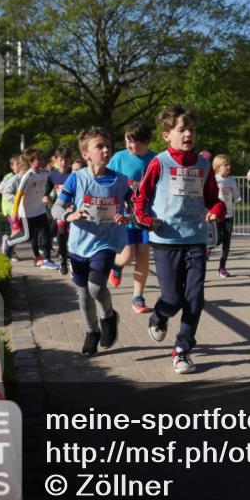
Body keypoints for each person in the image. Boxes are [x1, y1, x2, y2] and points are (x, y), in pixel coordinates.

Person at [134, 104, 225, 375]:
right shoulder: (158, 163)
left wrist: (217, 211)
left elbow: (212, 199)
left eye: (192, 130)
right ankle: (160, 315)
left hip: (195, 239)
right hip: (165, 240)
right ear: (166, 135)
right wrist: (146, 219)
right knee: (172, 298)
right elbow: (140, 198)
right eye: (181, 129)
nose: (188, 135)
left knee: (195, 299)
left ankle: (182, 349)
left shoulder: (204, 164)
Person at [52, 128, 132, 356]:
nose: (106, 150)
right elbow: (57, 207)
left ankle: (108, 316)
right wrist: (70, 216)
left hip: (106, 242)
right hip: (79, 245)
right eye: (99, 146)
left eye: (108, 145)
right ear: (86, 154)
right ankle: (91, 331)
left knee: (96, 286)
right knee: (83, 293)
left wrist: (127, 216)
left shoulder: (120, 180)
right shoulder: (76, 179)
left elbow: (135, 206)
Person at [107, 121, 158, 313]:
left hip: (146, 217)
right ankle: (116, 265)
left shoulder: (156, 159)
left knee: (143, 257)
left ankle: (138, 297)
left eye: (132, 141)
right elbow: (109, 180)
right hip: (125, 216)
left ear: (145, 141)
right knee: (128, 256)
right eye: (126, 140)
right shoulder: (119, 157)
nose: (128, 145)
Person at [2, 148, 57, 268]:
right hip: (27, 213)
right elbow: (18, 196)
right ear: (31, 162)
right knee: (27, 236)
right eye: (39, 159)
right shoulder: (27, 176)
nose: (42, 160)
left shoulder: (43, 173)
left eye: (42, 158)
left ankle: (46, 260)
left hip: (40, 210)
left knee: (45, 233)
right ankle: (9, 243)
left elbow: (53, 181)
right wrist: (15, 212)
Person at [212, 154, 242, 277]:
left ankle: (222, 268)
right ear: (218, 167)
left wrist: (239, 199)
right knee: (216, 240)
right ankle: (207, 251)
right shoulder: (214, 180)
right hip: (216, 216)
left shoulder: (231, 180)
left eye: (229, 164)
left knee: (226, 242)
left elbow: (236, 192)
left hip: (229, 215)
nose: (228, 167)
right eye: (225, 165)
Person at [47, 145, 74, 275]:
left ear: (70, 160)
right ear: (56, 160)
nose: (63, 163)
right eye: (61, 160)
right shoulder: (52, 175)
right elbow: (46, 190)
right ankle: (63, 260)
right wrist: (45, 196)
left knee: (73, 236)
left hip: (75, 211)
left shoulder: (74, 174)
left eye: (66, 160)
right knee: (61, 234)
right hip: (61, 211)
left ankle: (75, 261)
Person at [0, 155, 23, 259]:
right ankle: (8, 243)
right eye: (17, 164)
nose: (20, 166)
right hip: (11, 208)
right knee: (18, 231)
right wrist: (11, 193)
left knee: (18, 232)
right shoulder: (8, 177)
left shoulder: (23, 176)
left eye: (21, 164)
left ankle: (11, 248)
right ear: (12, 166)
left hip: (20, 208)